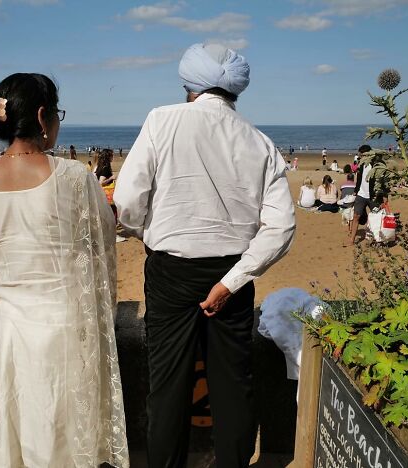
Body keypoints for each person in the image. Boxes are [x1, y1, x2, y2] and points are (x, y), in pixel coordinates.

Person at [114, 43, 295, 467]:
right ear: (237, 91)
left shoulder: (162, 120)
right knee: (234, 384)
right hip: (232, 272)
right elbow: (281, 227)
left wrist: (143, 231)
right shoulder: (260, 142)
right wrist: (232, 281)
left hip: (170, 269)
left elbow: (127, 198)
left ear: (187, 85)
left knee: (167, 384)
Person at [0, 73, 128, 468]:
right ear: (42, 116)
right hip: (61, 320)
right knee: (60, 419)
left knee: (20, 418)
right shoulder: (71, 177)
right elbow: (102, 240)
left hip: (9, 324)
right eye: (57, 114)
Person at [345, 144, 384, 247]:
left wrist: (384, 196)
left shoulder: (376, 164)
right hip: (361, 195)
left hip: (373, 196)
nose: (360, 156)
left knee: (376, 217)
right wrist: (355, 191)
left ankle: (377, 239)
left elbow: (382, 181)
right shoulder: (361, 164)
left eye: (361, 154)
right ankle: (352, 240)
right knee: (356, 216)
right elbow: (359, 179)